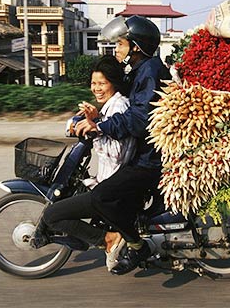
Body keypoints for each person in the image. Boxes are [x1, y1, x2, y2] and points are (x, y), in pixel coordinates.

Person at [74, 15, 170, 275]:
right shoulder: (140, 71)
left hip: (149, 160)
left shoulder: (150, 71)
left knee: (103, 195)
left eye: (121, 44)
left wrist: (101, 127)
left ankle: (137, 247)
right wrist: (96, 116)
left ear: (135, 48)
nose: (116, 49)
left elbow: (139, 119)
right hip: (142, 154)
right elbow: (119, 102)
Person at [30, 55, 136, 271]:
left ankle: (109, 239)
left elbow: (118, 152)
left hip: (112, 187)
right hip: (107, 180)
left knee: (52, 215)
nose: (96, 88)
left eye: (102, 83)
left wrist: (95, 126)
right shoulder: (109, 105)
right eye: (94, 83)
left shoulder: (120, 106)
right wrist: (92, 121)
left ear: (113, 83)